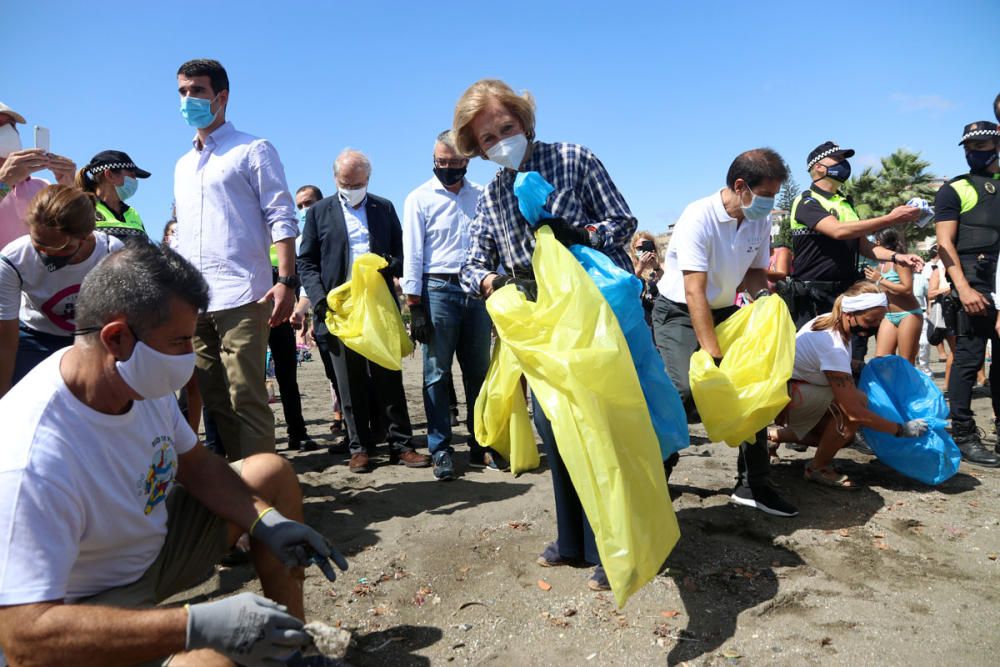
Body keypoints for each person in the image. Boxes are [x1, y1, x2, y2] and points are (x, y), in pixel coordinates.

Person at [0, 242, 347, 667]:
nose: (190, 356)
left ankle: (293, 652)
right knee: (214, 661)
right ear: (116, 338)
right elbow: (23, 638)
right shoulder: (30, 458)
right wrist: (192, 626)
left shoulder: (140, 380)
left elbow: (196, 465)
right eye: (180, 340)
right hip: (82, 606)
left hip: (152, 554)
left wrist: (266, 521)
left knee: (267, 474)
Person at [453, 78, 637, 590]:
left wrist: (579, 231)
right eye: (487, 140)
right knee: (555, 428)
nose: (499, 142)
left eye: (505, 129)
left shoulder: (575, 159)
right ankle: (571, 540)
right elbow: (472, 263)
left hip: (593, 314)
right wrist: (489, 282)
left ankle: (612, 545)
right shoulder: (491, 195)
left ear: (525, 122)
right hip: (540, 325)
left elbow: (623, 222)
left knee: (601, 428)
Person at [651, 148, 798, 517]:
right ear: (739, 185)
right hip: (680, 312)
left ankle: (754, 484)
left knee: (754, 385)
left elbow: (752, 272)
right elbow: (693, 291)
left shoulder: (757, 219)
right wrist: (714, 356)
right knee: (684, 389)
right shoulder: (697, 217)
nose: (770, 202)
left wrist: (764, 302)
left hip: (725, 309)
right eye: (766, 194)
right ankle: (653, 476)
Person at [173, 59, 300, 462]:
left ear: (221, 97)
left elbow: (281, 215)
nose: (188, 99)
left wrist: (286, 280)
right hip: (196, 301)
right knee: (214, 399)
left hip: (243, 293)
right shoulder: (182, 165)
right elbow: (182, 231)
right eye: (182, 91)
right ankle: (239, 488)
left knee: (248, 396)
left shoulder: (252, 149)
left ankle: (267, 495)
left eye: (197, 91)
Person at [298, 149, 430, 473]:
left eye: (357, 183)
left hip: (379, 306)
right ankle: (359, 448)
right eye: (345, 182)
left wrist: (386, 265)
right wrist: (319, 299)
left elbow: (401, 253)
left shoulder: (383, 208)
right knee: (349, 382)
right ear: (335, 180)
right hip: (340, 310)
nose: (351, 188)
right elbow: (306, 261)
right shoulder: (319, 213)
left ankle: (401, 444)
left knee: (388, 376)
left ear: (368, 179)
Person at [767, 283, 928, 487]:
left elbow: (826, 364)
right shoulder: (832, 344)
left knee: (839, 436)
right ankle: (818, 468)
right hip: (790, 396)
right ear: (850, 313)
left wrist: (863, 366)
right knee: (851, 413)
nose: (874, 326)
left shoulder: (828, 322)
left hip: (793, 389)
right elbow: (854, 413)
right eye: (870, 320)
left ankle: (771, 436)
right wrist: (900, 429)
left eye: (879, 321)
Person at [402, 130, 494, 481]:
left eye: (457, 163)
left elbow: (492, 243)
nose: (450, 168)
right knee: (436, 372)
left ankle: (480, 443)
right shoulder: (419, 199)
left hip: (477, 288)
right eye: (444, 162)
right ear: (434, 159)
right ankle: (440, 448)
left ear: (467, 161)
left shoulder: (483, 196)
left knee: (479, 372)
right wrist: (415, 305)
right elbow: (413, 253)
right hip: (437, 287)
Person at [783, 141, 922, 329]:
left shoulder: (845, 202)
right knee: (815, 353)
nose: (843, 164)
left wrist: (897, 257)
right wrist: (891, 218)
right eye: (837, 159)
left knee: (849, 354)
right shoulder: (807, 201)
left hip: (846, 294)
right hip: (814, 296)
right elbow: (837, 231)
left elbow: (863, 245)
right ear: (818, 167)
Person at [0, 185, 123, 396]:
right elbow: (5, 343)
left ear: (85, 237)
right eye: (38, 243)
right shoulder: (13, 260)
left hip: (94, 338)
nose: (44, 253)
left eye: (59, 248)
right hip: (35, 337)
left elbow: (122, 324)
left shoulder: (112, 253)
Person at [934, 120, 1000, 467]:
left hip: (998, 281)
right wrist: (963, 287)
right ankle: (962, 432)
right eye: (970, 146)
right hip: (974, 284)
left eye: (983, 145)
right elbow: (944, 243)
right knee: (968, 360)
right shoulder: (954, 189)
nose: (975, 152)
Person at [0, 102, 77, 248]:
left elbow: (72, 232)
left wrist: (69, 188)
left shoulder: (42, 186)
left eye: (12, 125)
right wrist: (4, 181)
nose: (9, 131)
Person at [267, 238, 318, 452]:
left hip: (282, 317)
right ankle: (261, 438)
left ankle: (297, 432)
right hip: (252, 313)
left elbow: (296, 281)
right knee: (251, 380)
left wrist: (299, 311)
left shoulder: (284, 246)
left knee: (288, 378)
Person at [865, 228, 923, 363]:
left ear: (879, 242)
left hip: (908, 314)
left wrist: (880, 279)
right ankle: (888, 385)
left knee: (906, 362)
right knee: (881, 360)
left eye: (874, 240)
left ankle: (908, 385)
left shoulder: (901, 262)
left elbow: (907, 289)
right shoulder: (880, 264)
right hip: (889, 316)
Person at [75, 149, 152, 240]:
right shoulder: (85, 210)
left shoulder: (133, 213)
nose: (135, 181)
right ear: (109, 175)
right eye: (132, 176)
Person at [626, 230, 663, 327]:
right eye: (639, 248)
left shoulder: (662, 266)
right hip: (642, 318)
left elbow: (668, 284)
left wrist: (656, 267)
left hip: (662, 316)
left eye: (647, 246)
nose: (643, 251)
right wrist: (640, 267)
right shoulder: (629, 269)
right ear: (634, 250)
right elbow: (628, 288)